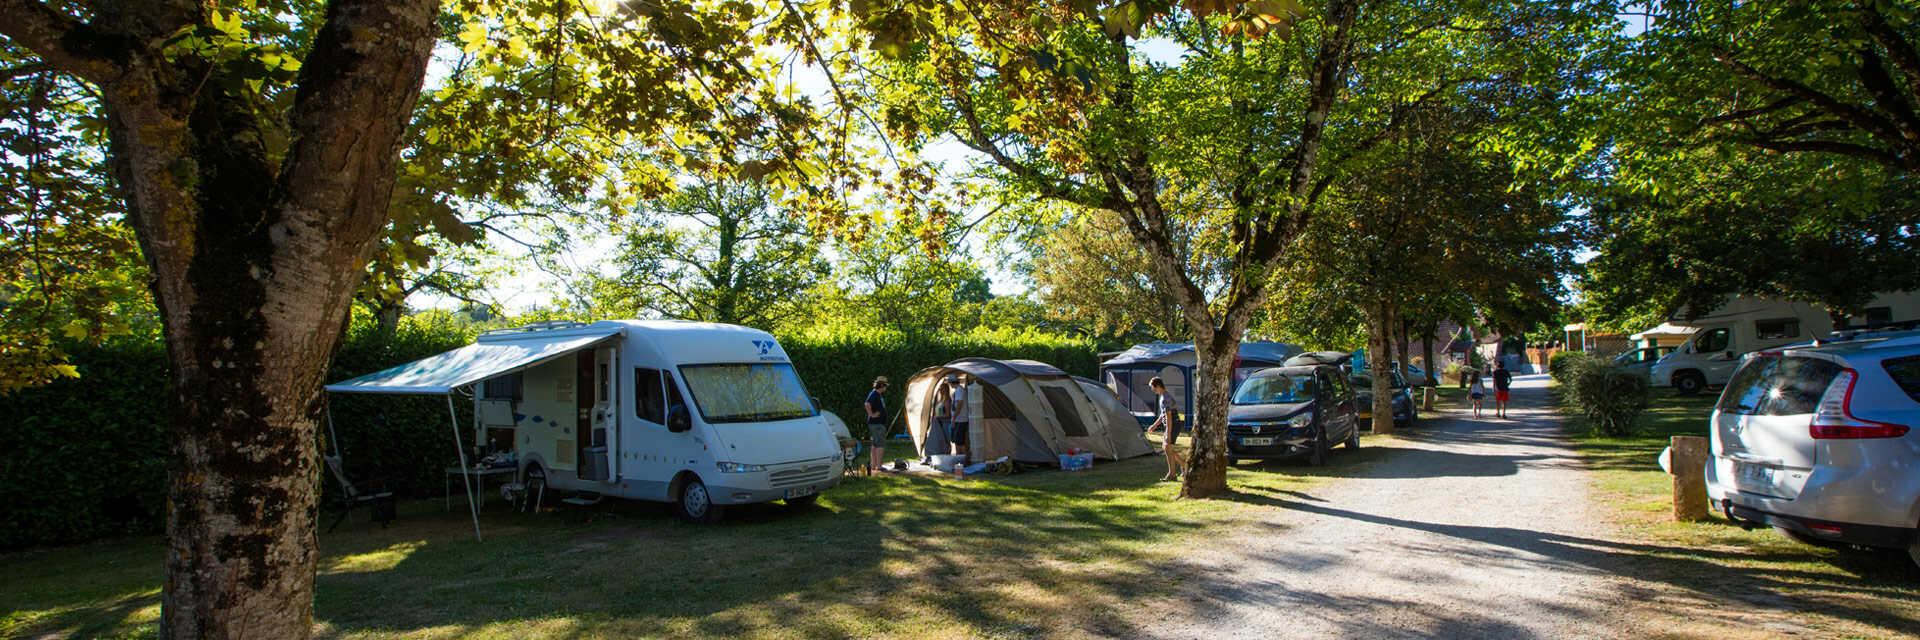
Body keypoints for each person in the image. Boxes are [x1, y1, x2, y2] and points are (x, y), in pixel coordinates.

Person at [1145, 377, 1185, 482]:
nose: (1152, 390)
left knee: (1167, 447)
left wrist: (1168, 432)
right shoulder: (1162, 397)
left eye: (1152, 387)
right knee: (1167, 447)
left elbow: (1169, 417)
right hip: (1171, 424)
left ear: (1158, 386)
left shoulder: (1165, 398)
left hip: (1174, 424)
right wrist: (1154, 425)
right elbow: (1163, 415)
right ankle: (1184, 465)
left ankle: (1172, 474)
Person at [924, 377, 953, 464]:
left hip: (945, 423)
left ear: (946, 390)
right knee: (940, 440)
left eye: (942, 389)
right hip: (939, 423)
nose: (941, 390)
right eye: (940, 389)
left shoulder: (948, 400)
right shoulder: (941, 399)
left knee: (947, 440)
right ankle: (940, 456)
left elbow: (948, 414)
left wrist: (938, 416)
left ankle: (948, 457)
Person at [865, 376, 890, 472]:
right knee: (880, 444)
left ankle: (873, 465)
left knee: (875, 444)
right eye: (885, 386)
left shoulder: (877, 395)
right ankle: (879, 466)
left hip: (877, 423)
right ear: (881, 385)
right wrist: (871, 414)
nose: (886, 388)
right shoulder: (874, 394)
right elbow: (867, 404)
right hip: (877, 424)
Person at [948, 374, 971, 458]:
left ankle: (961, 461)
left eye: (949, 383)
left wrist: (954, 418)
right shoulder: (959, 389)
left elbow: (960, 404)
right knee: (958, 441)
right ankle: (961, 460)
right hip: (960, 419)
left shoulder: (959, 390)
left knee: (959, 442)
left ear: (951, 383)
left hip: (960, 419)